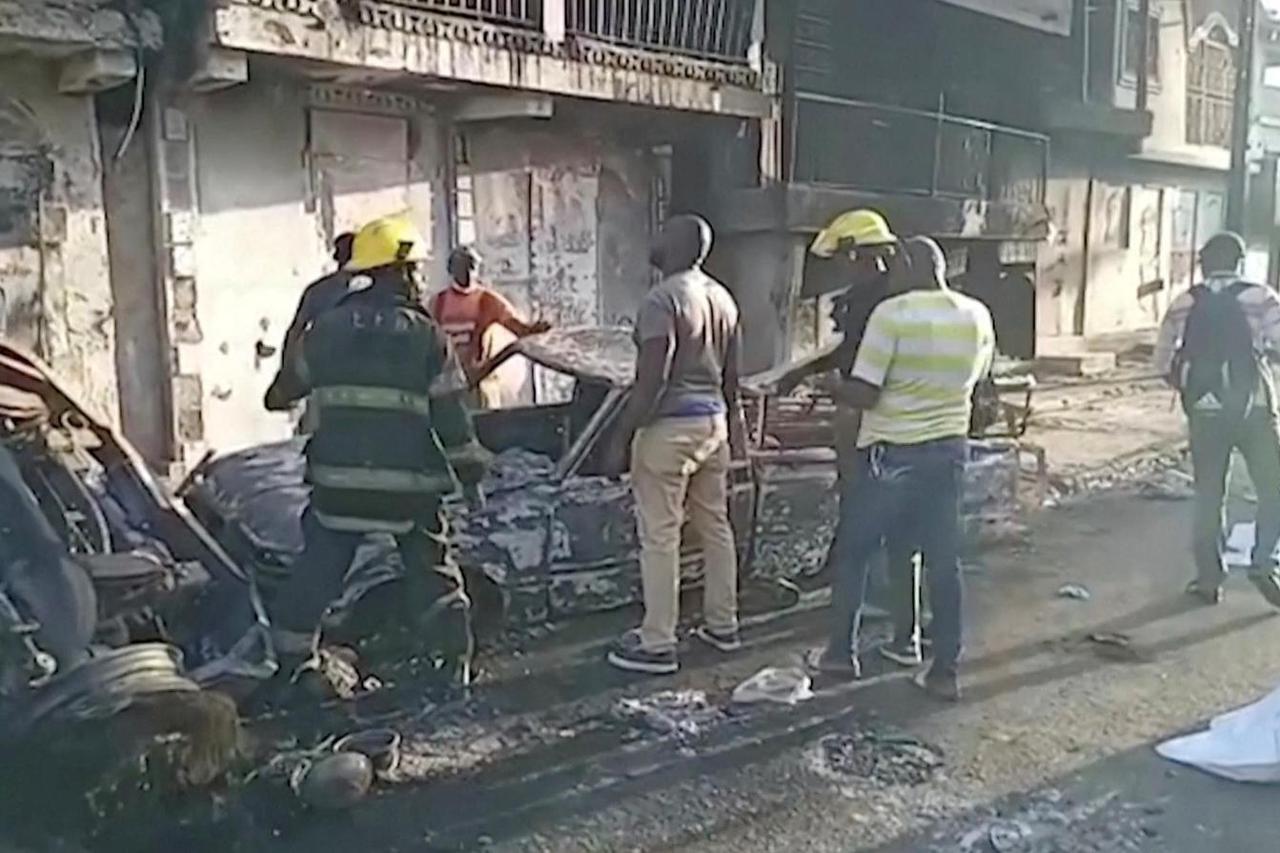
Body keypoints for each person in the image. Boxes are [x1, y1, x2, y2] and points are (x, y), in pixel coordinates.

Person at [264, 215, 489, 687]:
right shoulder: (428, 336)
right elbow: (452, 419)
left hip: (338, 489)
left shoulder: (325, 329)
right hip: (407, 492)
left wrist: (297, 338)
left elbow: (280, 395)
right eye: (415, 269)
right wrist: (470, 477)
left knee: (316, 576)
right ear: (403, 271)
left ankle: (292, 668)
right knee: (433, 575)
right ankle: (452, 666)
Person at [814, 236, 994, 702]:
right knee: (940, 559)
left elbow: (866, 393)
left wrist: (835, 386)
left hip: (891, 453)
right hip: (949, 451)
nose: (889, 274)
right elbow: (977, 380)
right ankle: (942, 669)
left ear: (911, 265)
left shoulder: (892, 315)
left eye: (894, 265)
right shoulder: (976, 314)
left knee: (855, 552)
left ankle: (839, 654)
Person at [780, 209, 927, 667]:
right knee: (905, 536)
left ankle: (843, 647)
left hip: (872, 423)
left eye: (849, 260)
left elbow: (853, 363)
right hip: (916, 431)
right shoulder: (912, 301)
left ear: (861, 256)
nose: (847, 270)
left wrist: (808, 378)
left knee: (859, 528)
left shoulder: (873, 302)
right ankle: (906, 633)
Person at [604, 214, 746, 675]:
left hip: (669, 430)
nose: (654, 237)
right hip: (712, 426)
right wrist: (735, 433)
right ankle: (723, 626)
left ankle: (657, 642)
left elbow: (652, 378)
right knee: (715, 525)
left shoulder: (662, 299)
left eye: (662, 232)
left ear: (680, 245)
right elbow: (732, 379)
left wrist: (622, 436)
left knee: (660, 535)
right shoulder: (723, 298)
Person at [1153, 231, 1280, 608]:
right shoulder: (1262, 298)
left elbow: (1161, 362)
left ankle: (1209, 578)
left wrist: (1192, 387)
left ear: (1203, 262)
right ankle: (1262, 562)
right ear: (1239, 261)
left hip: (1205, 413)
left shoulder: (1183, 302)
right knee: (1272, 488)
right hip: (1253, 408)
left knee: (1209, 493)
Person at [429, 246, 551, 408]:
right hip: (446, 385)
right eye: (461, 266)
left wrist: (536, 330)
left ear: (478, 269)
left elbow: (518, 329)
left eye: (472, 266)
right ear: (451, 269)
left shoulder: (488, 301)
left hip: (478, 384)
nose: (467, 272)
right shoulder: (438, 302)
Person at [264, 232, 356, 413]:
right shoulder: (376, 291)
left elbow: (295, 333)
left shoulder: (318, 291)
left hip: (322, 385)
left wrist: (286, 381)